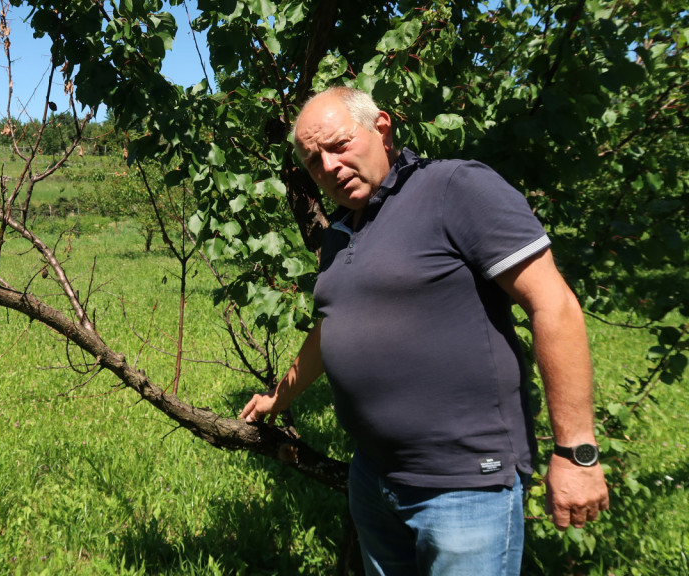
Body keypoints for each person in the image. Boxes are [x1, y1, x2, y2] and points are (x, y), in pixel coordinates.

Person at [239, 86, 609, 576]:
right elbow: (333, 327)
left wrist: (576, 453)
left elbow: (554, 304)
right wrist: (278, 398)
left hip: (463, 487)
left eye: (338, 145)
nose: (328, 167)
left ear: (382, 129)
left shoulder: (454, 188)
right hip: (373, 477)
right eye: (313, 160)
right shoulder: (339, 234)